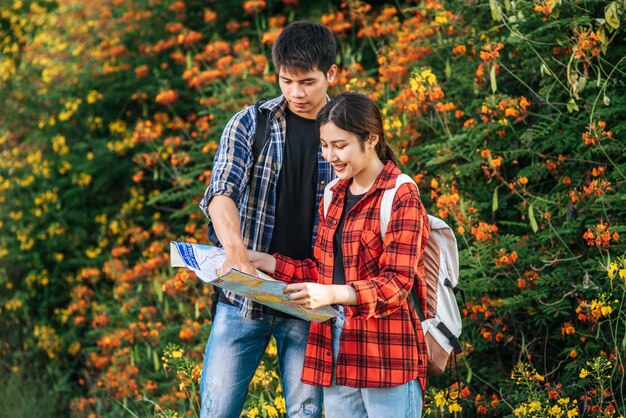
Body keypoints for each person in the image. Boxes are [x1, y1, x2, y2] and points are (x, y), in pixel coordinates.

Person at [249, 92, 430, 417]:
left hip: (385, 353)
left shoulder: (400, 195)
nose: (330, 155)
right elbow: (323, 271)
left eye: (340, 145)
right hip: (335, 349)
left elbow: (397, 284)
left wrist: (331, 293)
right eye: (324, 145)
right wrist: (271, 263)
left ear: (371, 138)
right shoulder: (333, 193)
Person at [197, 22, 337, 418]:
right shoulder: (249, 123)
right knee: (216, 410)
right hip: (243, 299)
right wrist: (236, 252)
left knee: (305, 413)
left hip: (310, 300)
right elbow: (221, 194)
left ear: (332, 74)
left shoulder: (350, 129)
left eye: (308, 82)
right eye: (286, 81)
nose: (296, 93)